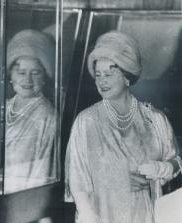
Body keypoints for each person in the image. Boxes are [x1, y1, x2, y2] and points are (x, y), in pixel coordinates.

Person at [64, 30, 182, 223]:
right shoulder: (86, 121)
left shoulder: (154, 119)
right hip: (100, 213)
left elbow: (177, 161)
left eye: (109, 74)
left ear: (127, 76)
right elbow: (77, 181)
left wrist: (165, 168)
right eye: (98, 75)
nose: (102, 81)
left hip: (144, 212)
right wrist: (87, 214)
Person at [5, 29, 58, 193]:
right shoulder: (4, 107)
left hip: (24, 197)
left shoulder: (47, 116)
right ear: (10, 75)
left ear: (45, 77)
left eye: (35, 73)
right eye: (21, 72)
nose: (27, 80)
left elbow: (44, 171)